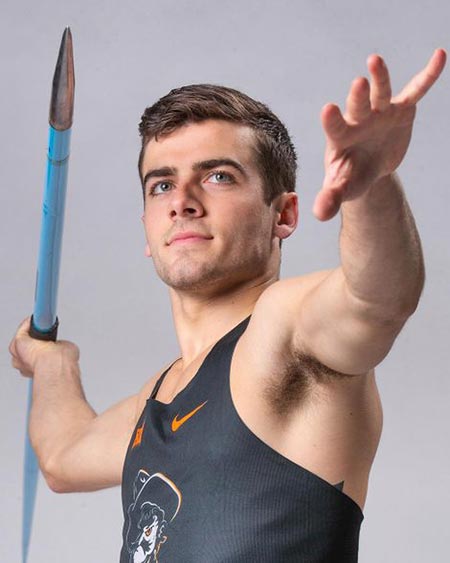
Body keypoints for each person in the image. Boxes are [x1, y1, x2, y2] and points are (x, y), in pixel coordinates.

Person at [9, 49, 446, 562]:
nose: (182, 201)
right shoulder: (161, 396)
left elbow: (375, 300)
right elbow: (64, 456)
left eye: (218, 176)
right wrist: (52, 362)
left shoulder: (283, 334)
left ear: (283, 214)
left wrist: (372, 185)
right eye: (162, 185)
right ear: (148, 229)